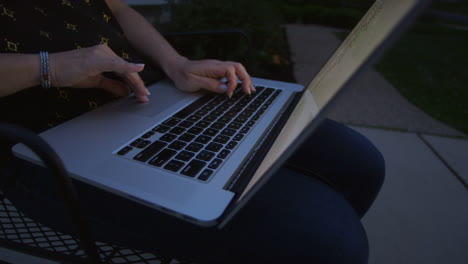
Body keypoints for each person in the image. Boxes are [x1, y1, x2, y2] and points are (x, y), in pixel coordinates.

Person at [0, 0, 385, 263]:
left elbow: (115, 7)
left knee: (358, 162)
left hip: (147, 96)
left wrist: (176, 64)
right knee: (330, 242)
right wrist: (46, 66)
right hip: (42, 148)